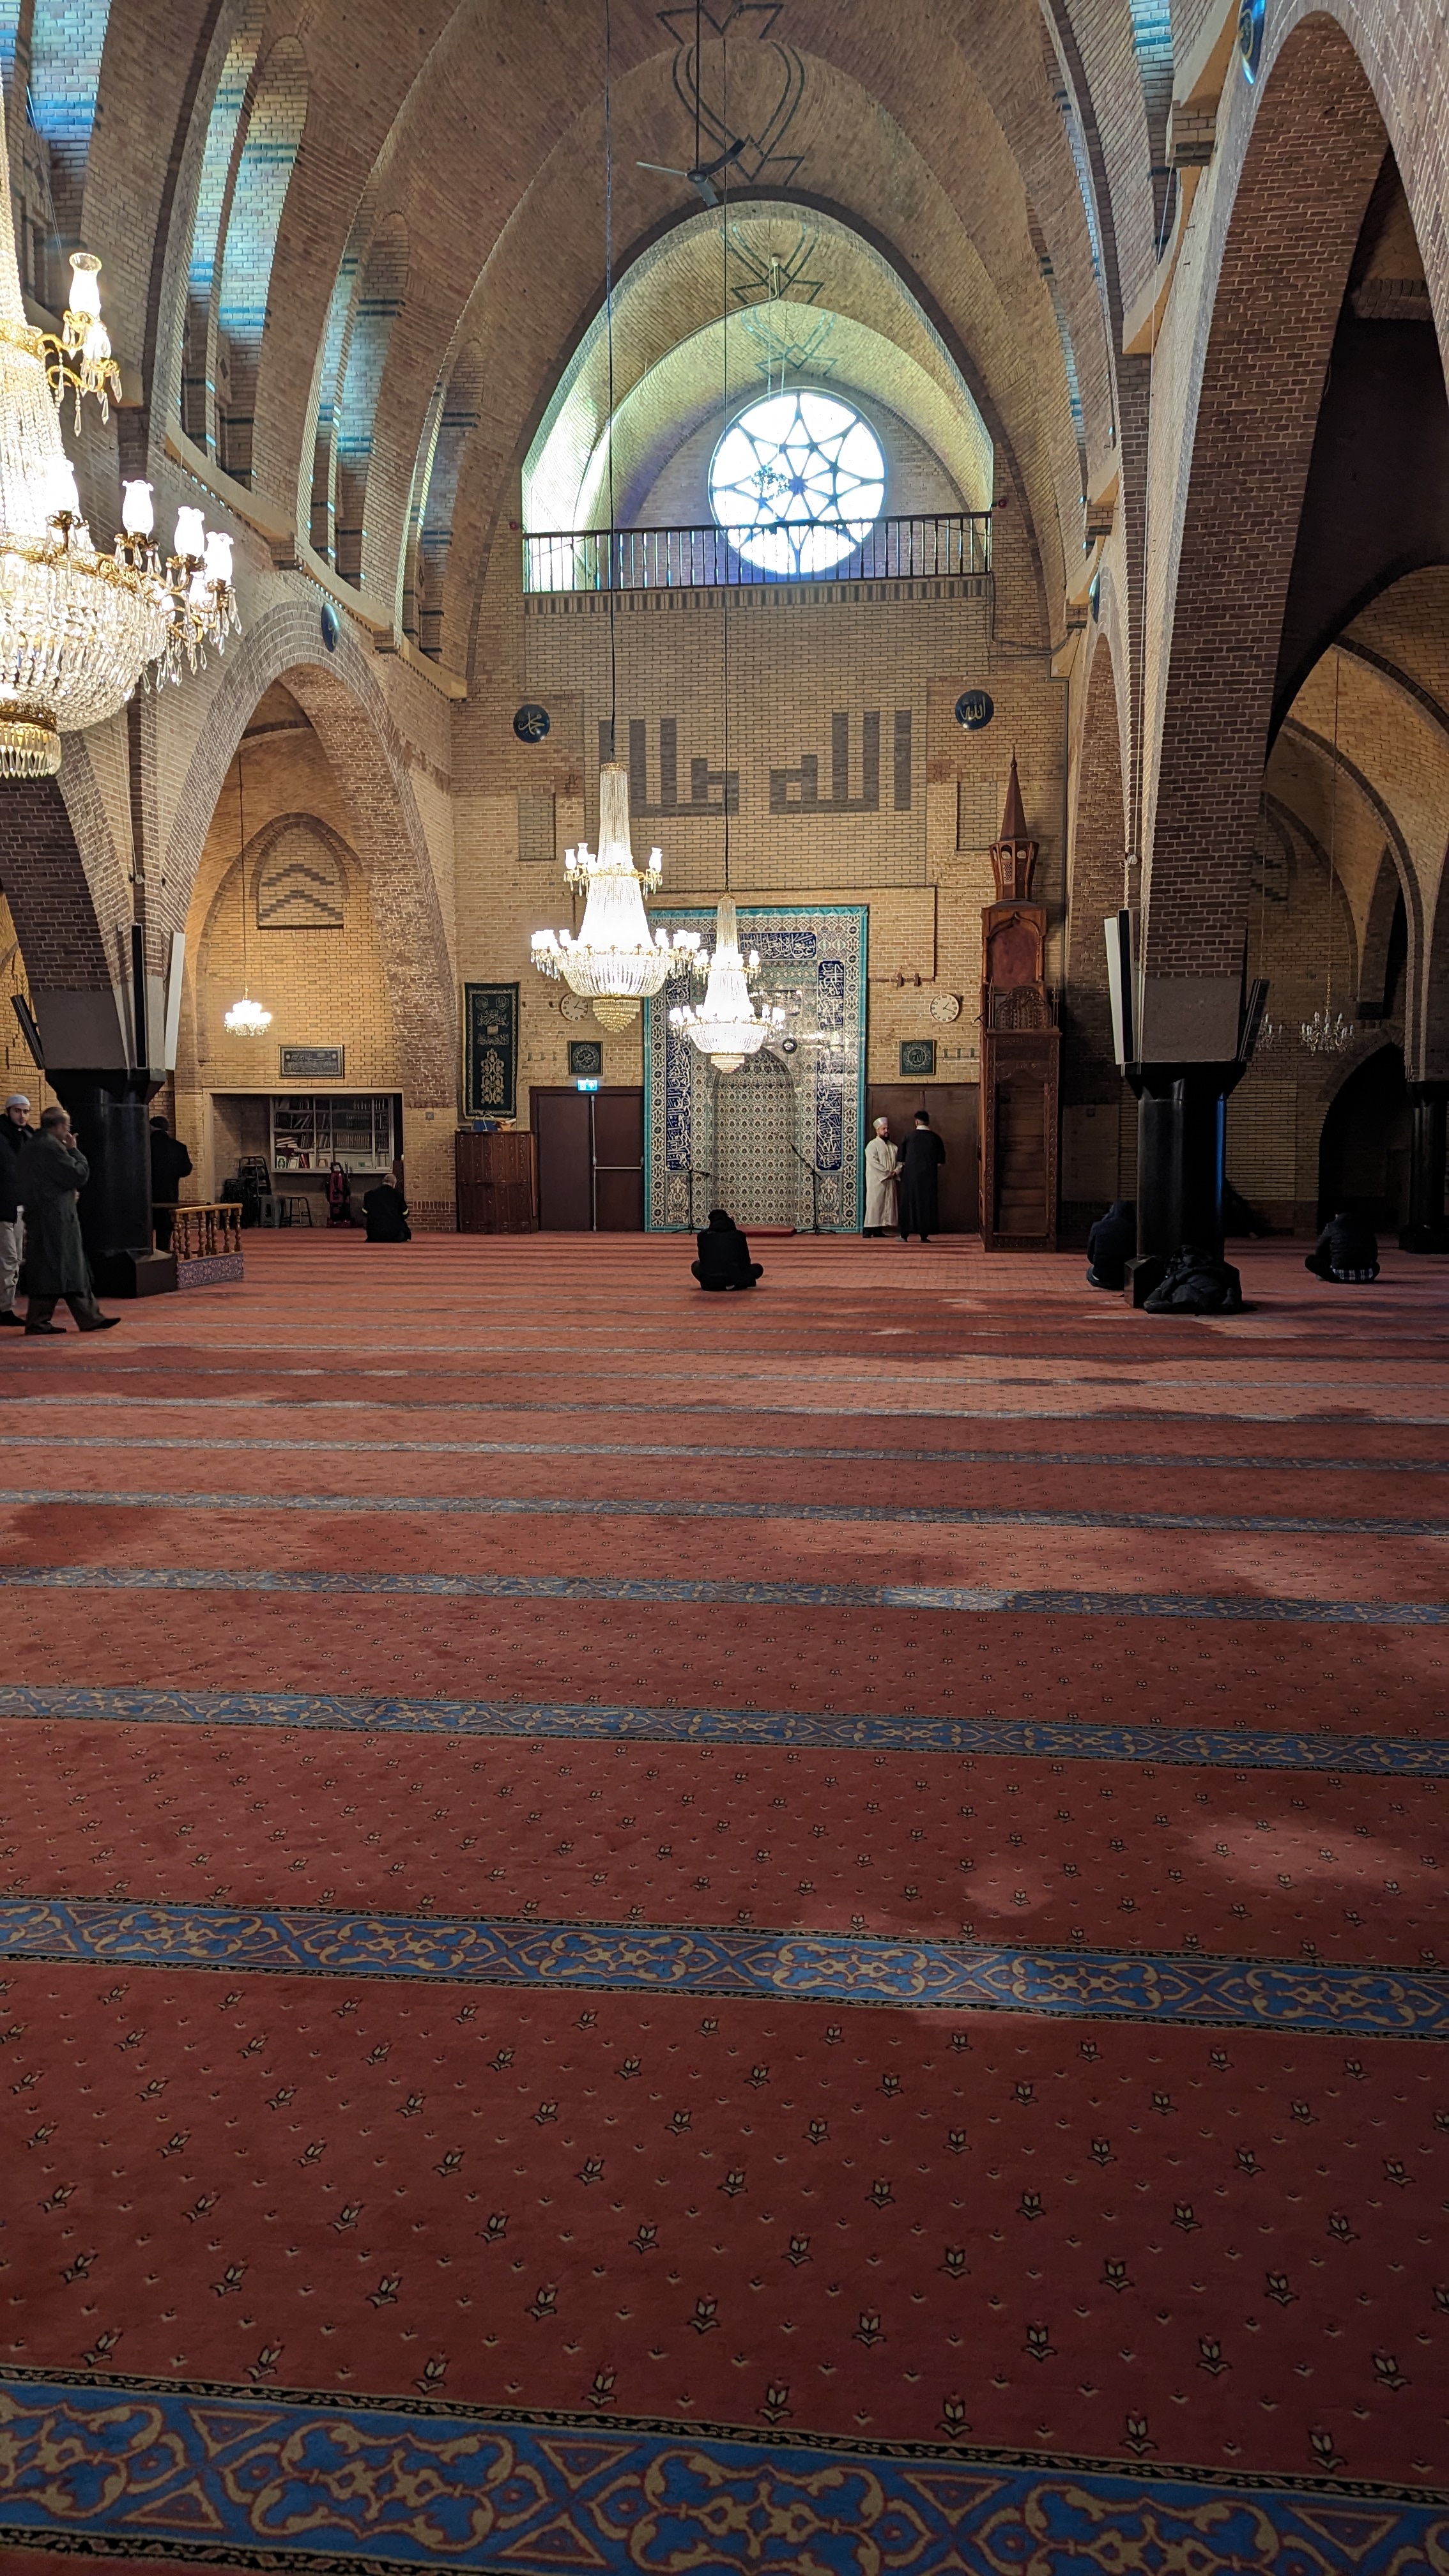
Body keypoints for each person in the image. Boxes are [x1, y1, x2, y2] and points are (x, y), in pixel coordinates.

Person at [20, 1104, 118, 1335]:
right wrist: (74, 1151)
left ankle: (89, 1317)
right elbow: (78, 1174)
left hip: (45, 1214)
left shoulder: (32, 1145)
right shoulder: (50, 1147)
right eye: (67, 1127)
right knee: (59, 1267)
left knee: (65, 1268)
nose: (68, 1132)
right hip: (55, 1218)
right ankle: (40, 1322)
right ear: (60, 1126)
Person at [1142, 1244, 1245, 1315]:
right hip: (1213, 1292)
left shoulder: (1180, 1273)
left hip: (1196, 1293)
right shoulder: (1215, 1266)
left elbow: (1153, 1302)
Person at [0, 1090, 30, 1324]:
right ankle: (4, 1309)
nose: (22, 1116)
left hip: (20, 1208)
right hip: (3, 1208)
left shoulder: (28, 1136)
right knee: (8, 1259)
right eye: (18, 1111)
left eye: (26, 1111)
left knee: (16, 1259)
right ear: (8, 1112)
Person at [896, 1108, 945, 1241]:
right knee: (926, 1205)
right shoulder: (936, 1138)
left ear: (916, 1122)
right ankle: (924, 1236)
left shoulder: (908, 1136)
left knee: (909, 1205)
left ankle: (904, 1235)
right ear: (928, 1122)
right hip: (929, 1179)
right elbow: (940, 1161)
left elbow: (901, 1159)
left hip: (911, 1179)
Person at [691, 1206, 762, 1291]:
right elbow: (745, 1260)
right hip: (736, 1280)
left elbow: (703, 1259)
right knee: (758, 1269)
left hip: (710, 1283)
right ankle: (738, 1283)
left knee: (695, 1266)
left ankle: (716, 1283)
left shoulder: (703, 1236)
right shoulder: (739, 1235)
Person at [149, 1115, 193, 1250]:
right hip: (169, 1197)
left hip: (145, 1198)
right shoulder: (179, 1147)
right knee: (164, 1232)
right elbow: (187, 1169)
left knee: (144, 1235)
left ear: (151, 1128)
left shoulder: (143, 1146)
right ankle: (164, 1258)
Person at [1306, 1209, 1379, 1282]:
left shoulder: (1332, 1226)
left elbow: (1320, 1250)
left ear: (1337, 1215)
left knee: (1310, 1261)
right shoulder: (1366, 1227)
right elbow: (1374, 1253)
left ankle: (1326, 1275)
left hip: (1339, 1277)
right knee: (1376, 1266)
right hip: (1365, 1277)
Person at [1085, 1198, 1135, 1290]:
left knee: (1090, 1272)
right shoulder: (1133, 1228)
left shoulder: (1098, 1226)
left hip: (1101, 1277)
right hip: (1125, 1279)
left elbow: (1090, 1256)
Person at [863, 1116, 898, 1236]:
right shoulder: (872, 1146)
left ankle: (878, 1230)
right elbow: (873, 1162)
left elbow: (900, 1163)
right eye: (883, 1129)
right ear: (877, 1131)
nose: (886, 1131)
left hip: (889, 1180)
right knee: (874, 1205)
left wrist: (895, 1172)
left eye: (887, 1129)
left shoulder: (893, 1147)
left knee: (884, 1205)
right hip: (877, 1180)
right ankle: (868, 1230)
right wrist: (887, 1173)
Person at [364, 1176, 411, 1242]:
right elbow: (405, 1214)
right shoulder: (398, 1195)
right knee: (405, 1232)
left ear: (383, 1182)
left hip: (374, 1235)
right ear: (394, 1184)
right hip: (395, 1235)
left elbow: (365, 1212)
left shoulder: (370, 1195)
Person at [326, 1161, 352, 1226]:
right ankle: (335, 1220)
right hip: (335, 1197)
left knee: (344, 1206)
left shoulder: (341, 1177)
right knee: (335, 1207)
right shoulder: (333, 1177)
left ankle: (343, 1220)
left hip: (340, 1196)